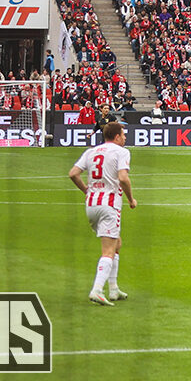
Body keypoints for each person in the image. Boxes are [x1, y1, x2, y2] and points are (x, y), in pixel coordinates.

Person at [67, 120, 136, 306]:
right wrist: (131, 199)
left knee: (117, 243)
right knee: (108, 250)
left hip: (91, 205)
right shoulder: (122, 152)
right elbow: (123, 178)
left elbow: (73, 173)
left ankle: (113, 289)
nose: (125, 138)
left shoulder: (91, 151)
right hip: (109, 205)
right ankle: (97, 289)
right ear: (116, 136)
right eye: (123, 135)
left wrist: (87, 190)